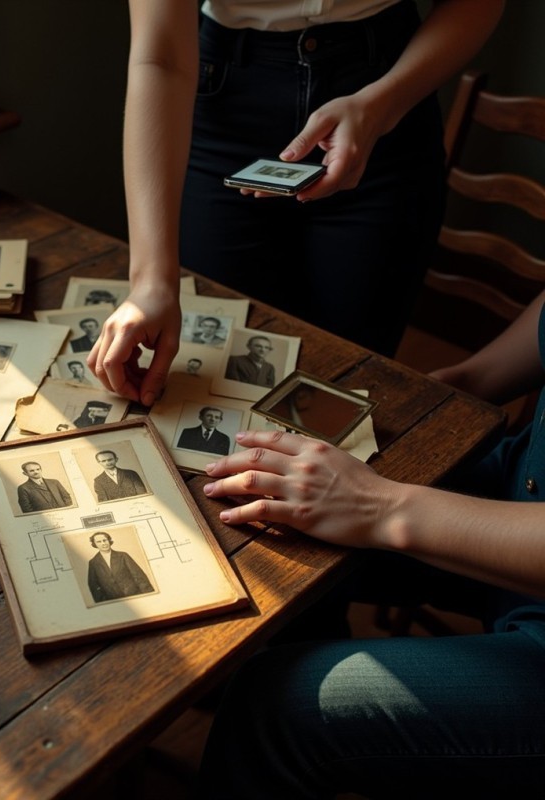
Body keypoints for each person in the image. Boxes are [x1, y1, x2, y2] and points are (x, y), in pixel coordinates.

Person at [195, 289, 545, 797]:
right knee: (278, 529)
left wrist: (378, 507)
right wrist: (466, 382)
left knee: (274, 707)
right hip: (522, 486)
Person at [87, 0, 505, 406]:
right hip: (223, 102)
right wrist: (150, 282)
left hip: (389, 87)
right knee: (220, 374)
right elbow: (161, 58)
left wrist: (380, 107)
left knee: (353, 379)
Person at [86, 531, 155, 602]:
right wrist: (104, 602)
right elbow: (93, 585)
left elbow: (139, 576)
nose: (103, 543)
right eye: (99, 542)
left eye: (105, 540)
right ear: (95, 544)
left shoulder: (123, 556)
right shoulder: (93, 562)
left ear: (109, 541)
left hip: (135, 595)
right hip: (114, 601)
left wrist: (149, 595)